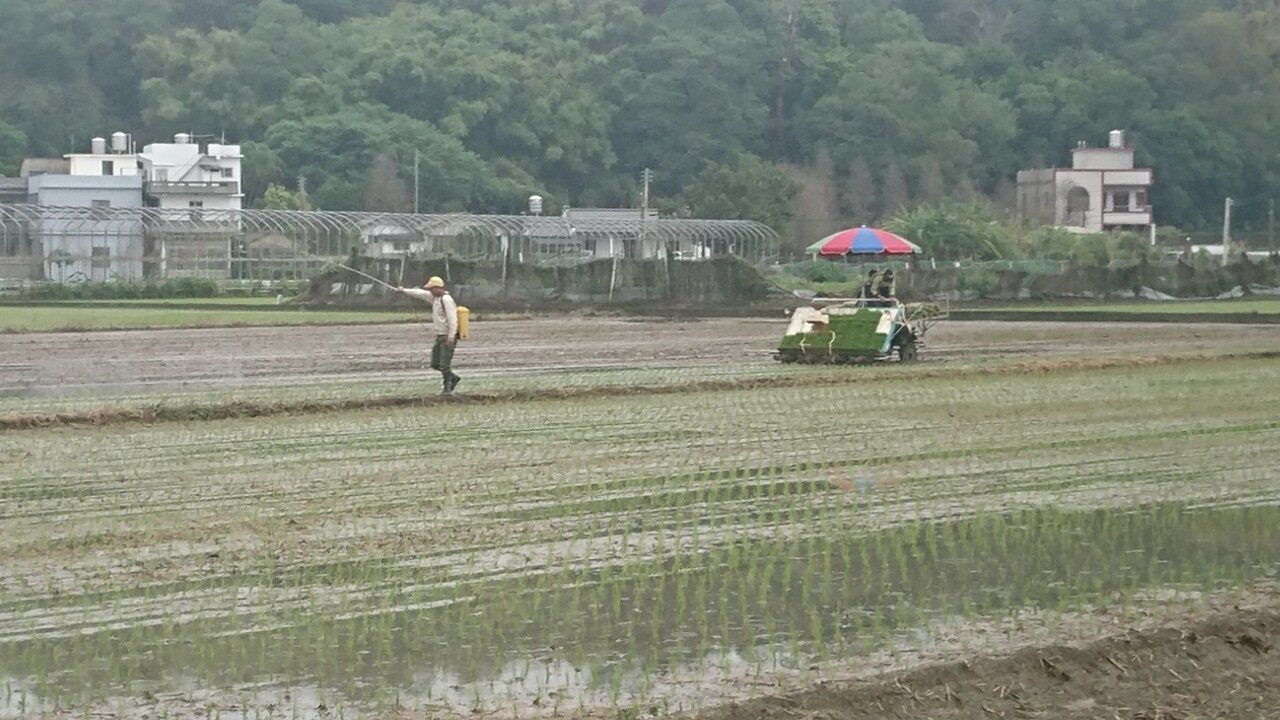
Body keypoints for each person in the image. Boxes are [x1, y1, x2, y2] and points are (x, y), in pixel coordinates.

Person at [394, 276, 461, 395]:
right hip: (440, 336)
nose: (430, 291)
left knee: (444, 365)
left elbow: (453, 319)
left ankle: (447, 388)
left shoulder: (446, 300)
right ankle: (453, 378)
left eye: (431, 288)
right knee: (435, 363)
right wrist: (403, 290)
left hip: (447, 337)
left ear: (437, 288)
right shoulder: (435, 298)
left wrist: (451, 336)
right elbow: (420, 293)